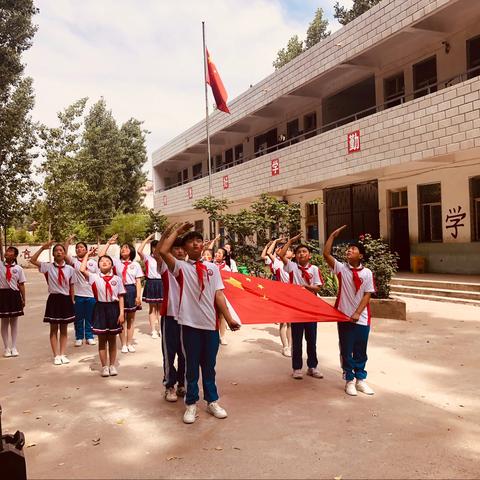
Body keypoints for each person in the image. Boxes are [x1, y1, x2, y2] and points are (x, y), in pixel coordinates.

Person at [158, 222, 241, 424]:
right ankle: (191, 404)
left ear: (203, 245)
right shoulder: (181, 268)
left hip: (210, 326)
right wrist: (178, 232)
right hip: (189, 326)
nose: (196, 244)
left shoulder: (213, 268)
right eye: (191, 241)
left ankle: (212, 401)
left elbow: (218, 294)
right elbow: (162, 250)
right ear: (184, 248)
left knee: (210, 366)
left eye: (198, 240)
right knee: (192, 367)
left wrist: (229, 318)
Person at [323, 225, 376, 396]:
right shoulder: (341, 269)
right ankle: (349, 380)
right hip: (344, 316)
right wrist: (332, 236)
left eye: (353, 249)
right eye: (348, 249)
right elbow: (326, 254)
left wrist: (358, 313)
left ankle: (361, 379)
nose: (349, 251)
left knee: (361, 349)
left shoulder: (367, 273)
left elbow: (368, 294)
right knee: (346, 349)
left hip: (362, 317)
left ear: (360, 255)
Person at [278, 234, 323, 379]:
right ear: (295, 256)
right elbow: (281, 254)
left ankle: (312, 366)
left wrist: (306, 286)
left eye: (304, 252)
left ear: (309, 255)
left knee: (312, 339)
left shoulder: (314, 269)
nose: (301, 254)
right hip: (296, 308)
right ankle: (297, 368)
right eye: (298, 252)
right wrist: (290, 241)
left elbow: (317, 288)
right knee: (296, 339)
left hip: (310, 308)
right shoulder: (291, 266)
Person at [79, 248, 125, 377]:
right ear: (98, 265)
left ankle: (112, 365)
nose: (104, 262)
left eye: (107, 261)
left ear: (112, 265)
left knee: (112, 339)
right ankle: (104, 366)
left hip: (113, 308)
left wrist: (121, 313)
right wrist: (87, 254)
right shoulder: (94, 277)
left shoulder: (117, 279)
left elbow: (121, 296)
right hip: (100, 308)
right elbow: (82, 270)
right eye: (102, 261)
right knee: (102, 339)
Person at [30, 241, 76, 365]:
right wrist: (42, 248)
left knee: (64, 328)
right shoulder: (48, 267)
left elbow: (71, 286)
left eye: (61, 250)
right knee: (54, 328)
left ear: (65, 253)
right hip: (54, 299)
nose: (59, 252)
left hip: (66, 300)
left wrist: (72, 301)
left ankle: (62, 353)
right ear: (53, 254)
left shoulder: (70, 269)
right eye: (56, 250)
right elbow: (32, 260)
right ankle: (56, 355)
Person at [154, 235, 186, 402]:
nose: (180, 251)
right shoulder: (165, 266)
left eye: (182, 248)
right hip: (170, 316)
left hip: (188, 318)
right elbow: (158, 252)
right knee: (169, 353)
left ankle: (182, 383)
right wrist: (169, 233)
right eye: (176, 248)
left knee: (185, 354)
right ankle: (169, 385)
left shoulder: (190, 267)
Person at [100, 235, 143, 353]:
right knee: (121, 318)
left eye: (126, 248)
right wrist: (109, 243)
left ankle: (129, 343)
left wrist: (138, 296)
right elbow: (101, 256)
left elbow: (138, 281)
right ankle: (123, 343)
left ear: (131, 252)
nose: (123, 250)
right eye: (122, 248)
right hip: (119, 290)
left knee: (131, 319)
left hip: (131, 290)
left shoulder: (136, 265)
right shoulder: (116, 261)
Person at [64, 236, 97, 347]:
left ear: (86, 250)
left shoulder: (93, 262)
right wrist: (68, 241)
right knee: (78, 318)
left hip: (91, 294)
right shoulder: (73, 262)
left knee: (89, 317)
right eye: (77, 247)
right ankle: (79, 337)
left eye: (82, 247)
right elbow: (64, 254)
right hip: (78, 294)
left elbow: (97, 277)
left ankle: (89, 336)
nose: (79, 249)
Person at [266, 238, 293, 357]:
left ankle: (291, 346)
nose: (287, 251)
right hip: (282, 294)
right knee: (283, 322)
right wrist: (275, 241)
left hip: (293, 296)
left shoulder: (295, 265)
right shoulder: (278, 262)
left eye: (289, 250)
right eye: (285, 250)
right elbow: (268, 253)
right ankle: (285, 346)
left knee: (291, 322)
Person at [0, 247, 26, 357]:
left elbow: (21, 284)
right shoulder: (0, 266)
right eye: (7, 250)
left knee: (14, 322)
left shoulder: (18, 268)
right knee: (4, 321)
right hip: (2, 294)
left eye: (11, 251)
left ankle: (14, 347)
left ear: (15, 256)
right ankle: (6, 348)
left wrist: (23, 298)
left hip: (14, 295)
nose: (7, 252)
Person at [138, 233, 163, 339]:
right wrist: (148, 238)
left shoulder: (163, 257)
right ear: (151, 248)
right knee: (152, 308)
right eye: (154, 247)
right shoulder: (147, 258)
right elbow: (139, 251)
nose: (155, 249)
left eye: (158, 247)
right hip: (151, 283)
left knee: (161, 309)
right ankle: (153, 330)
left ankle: (161, 329)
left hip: (161, 282)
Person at [213, 247, 231, 346]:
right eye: (216, 253)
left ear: (224, 257)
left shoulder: (226, 268)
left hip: (222, 294)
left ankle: (222, 336)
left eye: (220, 253)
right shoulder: (211, 265)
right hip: (210, 294)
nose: (217, 254)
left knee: (222, 316)